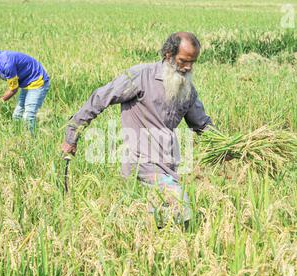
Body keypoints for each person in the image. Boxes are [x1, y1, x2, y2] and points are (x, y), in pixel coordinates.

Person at [62, 32, 214, 228]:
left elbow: (201, 124)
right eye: (183, 61)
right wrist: (72, 135)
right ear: (168, 55)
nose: (188, 67)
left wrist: (227, 146)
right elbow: (101, 97)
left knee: (159, 224)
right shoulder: (141, 77)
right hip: (140, 161)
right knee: (179, 206)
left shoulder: (187, 90)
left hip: (168, 164)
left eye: (193, 62)